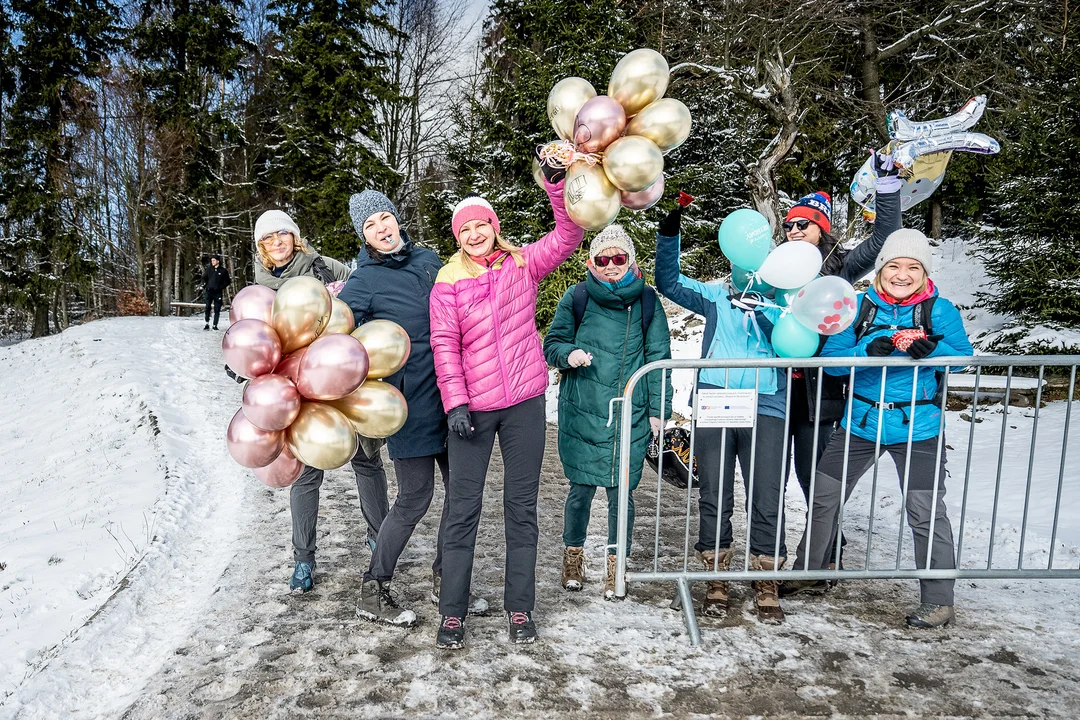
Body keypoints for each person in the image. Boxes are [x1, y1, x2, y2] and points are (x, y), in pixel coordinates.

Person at [780, 228, 972, 628]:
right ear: (881, 268)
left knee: (925, 511)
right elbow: (831, 362)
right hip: (860, 424)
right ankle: (809, 573)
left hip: (918, 428)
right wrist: (864, 352)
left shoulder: (940, 310)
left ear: (924, 272)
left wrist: (932, 351)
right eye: (894, 266)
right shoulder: (859, 307)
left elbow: (964, 358)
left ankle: (939, 599)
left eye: (913, 267)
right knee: (824, 497)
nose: (902, 274)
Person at [428, 161, 583, 649]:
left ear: (495, 227)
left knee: (521, 507)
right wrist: (455, 403)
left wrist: (557, 185)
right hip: (472, 410)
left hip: (525, 404)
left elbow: (568, 234)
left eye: (482, 225)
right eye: (466, 228)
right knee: (462, 508)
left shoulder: (522, 264)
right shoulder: (446, 281)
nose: (475, 234)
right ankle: (452, 611)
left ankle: (520, 608)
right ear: (458, 236)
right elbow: (443, 344)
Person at [338, 191, 488, 627]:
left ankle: (449, 578)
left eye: (385, 217)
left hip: (455, 395)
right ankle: (373, 586)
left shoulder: (430, 259)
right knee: (415, 497)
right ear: (363, 236)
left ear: (397, 218)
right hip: (410, 403)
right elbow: (336, 331)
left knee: (461, 495)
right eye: (370, 226)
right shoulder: (362, 281)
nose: (382, 228)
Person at [655, 202, 789, 624]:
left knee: (766, 494)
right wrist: (669, 231)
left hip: (767, 403)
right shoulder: (715, 292)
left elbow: (792, 344)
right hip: (716, 401)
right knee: (715, 493)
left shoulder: (783, 295)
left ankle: (765, 575)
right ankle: (716, 573)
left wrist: (765, 313)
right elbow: (669, 281)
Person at [251, 209, 389, 593]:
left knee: (366, 459)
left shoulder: (325, 268)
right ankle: (303, 560)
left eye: (282, 234)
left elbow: (362, 304)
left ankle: (382, 538)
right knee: (305, 475)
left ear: (295, 236)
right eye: (268, 238)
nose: (276, 242)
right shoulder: (259, 289)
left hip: (342, 378)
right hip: (295, 392)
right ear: (261, 248)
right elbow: (251, 339)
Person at [778, 151, 903, 574]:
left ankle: (828, 557)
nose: (794, 230)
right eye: (789, 225)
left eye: (803, 224)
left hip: (819, 393)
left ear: (822, 228)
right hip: (774, 389)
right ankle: (772, 559)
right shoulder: (775, 268)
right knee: (776, 479)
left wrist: (887, 187)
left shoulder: (841, 266)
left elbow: (886, 236)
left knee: (815, 480)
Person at [542, 224, 671, 599]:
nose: (611, 265)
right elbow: (553, 343)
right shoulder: (577, 296)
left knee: (621, 494)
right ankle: (573, 556)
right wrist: (568, 355)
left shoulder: (647, 301)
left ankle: (617, 564)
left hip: (629, 412)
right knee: (579, 490)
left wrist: (660, 409)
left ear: (631, 261)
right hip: (583, 409)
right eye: (604, 258)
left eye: (619, 258)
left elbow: (659, 358)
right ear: (591, 262)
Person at [203, 254, 230, 330]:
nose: (212, 262)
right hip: (209, 292)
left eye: (214, 260)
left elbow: (227, 281)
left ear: (218, 261)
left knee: (217, 309)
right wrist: (206, 285)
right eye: (211, 260)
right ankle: (207, 323)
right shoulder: (209, 269)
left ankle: (215, 325)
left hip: (217, 292)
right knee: (207, 307)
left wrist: (220, 287)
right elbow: (204, 277)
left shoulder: (223, 271)